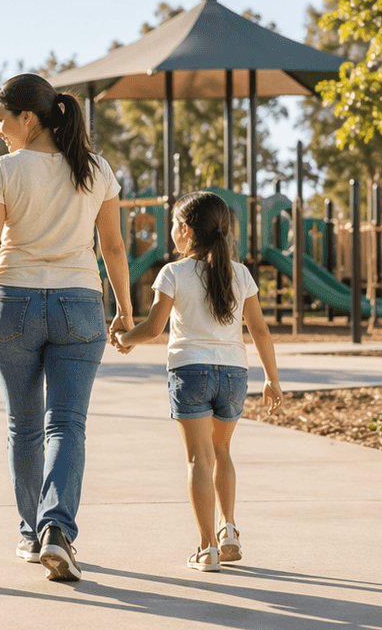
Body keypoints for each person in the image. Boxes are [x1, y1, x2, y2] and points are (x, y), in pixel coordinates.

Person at [0, 73, 133, 582]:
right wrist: (126, 310)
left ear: (28, 117)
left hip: (14, 305)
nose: (0, 130)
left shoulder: (5, 169)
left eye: (3, 119)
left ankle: (32, 535)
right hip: (81, 303)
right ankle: (58, 530)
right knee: (66, 424)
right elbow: (113, 248)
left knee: (23, 427)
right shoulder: (95, 169)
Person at [110, 191, 283, 572]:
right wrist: (272, 379)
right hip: (235, 374)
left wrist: (123, 338)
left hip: (191, 372)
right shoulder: (241, 274)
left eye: (173, 223)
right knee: (222, 452)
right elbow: (260, 330)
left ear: (185, 230)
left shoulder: (173, 273)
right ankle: (230, 530)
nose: (172, 230)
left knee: (198, 458)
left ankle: (207, 549)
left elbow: (154, 328)